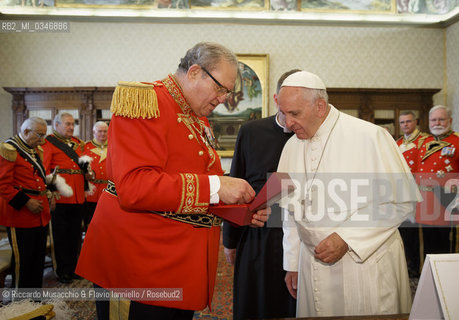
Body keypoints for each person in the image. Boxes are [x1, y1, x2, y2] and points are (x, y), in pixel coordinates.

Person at [75, 42, 268, 320]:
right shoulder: (145, 101)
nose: (224, 98)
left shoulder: (196, 116)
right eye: (221, 88)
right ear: (194, 72)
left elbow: (192, 189)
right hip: (139, 266)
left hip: (178, 266)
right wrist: (217, 186)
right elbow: (135, 188)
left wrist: (240, 209)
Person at [277, 71, 420, 317]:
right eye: (283, 113)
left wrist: (348, 239)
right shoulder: (291, 146)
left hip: (364, 264)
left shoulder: (371, 136)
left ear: (320, 106)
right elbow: (289, 211)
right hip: (311, 263)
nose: (287, 123)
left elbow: (401, 202)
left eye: (294, 114)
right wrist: (292, 264)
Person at [222, 69, 299, 320]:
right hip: (259, 237)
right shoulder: (251, 131)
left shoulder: (314, 134)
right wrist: (230, 240)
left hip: (302, 237)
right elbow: (235, 185)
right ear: (277, 100)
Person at [415, 105, 459, 255]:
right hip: (426, 203)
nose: (437, 123)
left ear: (450, 120)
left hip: (450, 202)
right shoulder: (423, 142)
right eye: (433, 120)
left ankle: (452, 278)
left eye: (441, 119)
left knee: (449, 247)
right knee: (428, 246)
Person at [0, 117, 51, 289]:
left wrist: (48, 195)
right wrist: (27, 202)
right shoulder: (9, 149)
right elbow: (3, 185)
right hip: (20, 215)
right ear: (27, 131)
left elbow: (38, 178)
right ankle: (21, 306)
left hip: (40, 215)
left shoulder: (34, 149)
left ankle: (34, 304)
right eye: (40, 135)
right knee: (23, 263)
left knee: (37, 262)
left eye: (44, 135)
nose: (42, 140)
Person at [42, 112, 92, 284]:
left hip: (77, 196)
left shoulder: (78, 144)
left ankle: (72, 268)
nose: (71, 127)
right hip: (60, 196)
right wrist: (52, 193)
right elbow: (45, 170)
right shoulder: (48, 142)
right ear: (56, 125)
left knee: (74, 235)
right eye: (67, 124)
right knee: (60, 236)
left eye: (73, 124)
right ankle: (62, 270)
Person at [396, 111, 429, 277]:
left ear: (415, 121)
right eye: (402, 122)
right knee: (405, 233)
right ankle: (409, 264)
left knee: (419, 235)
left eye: (408, 121)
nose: (405, 125)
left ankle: (419, 266)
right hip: (402, 195)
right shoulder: (398, 143)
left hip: (421, 194)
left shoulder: (425, 141)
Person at [82, 121, 109, 230]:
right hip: (90, 192)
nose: (103, 134)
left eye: (105, 131)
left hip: (109, 191)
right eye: (100, 131)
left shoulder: (114, 145)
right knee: (91, 224)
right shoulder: (85, 147)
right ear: (94, 132)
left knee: (108, 224)